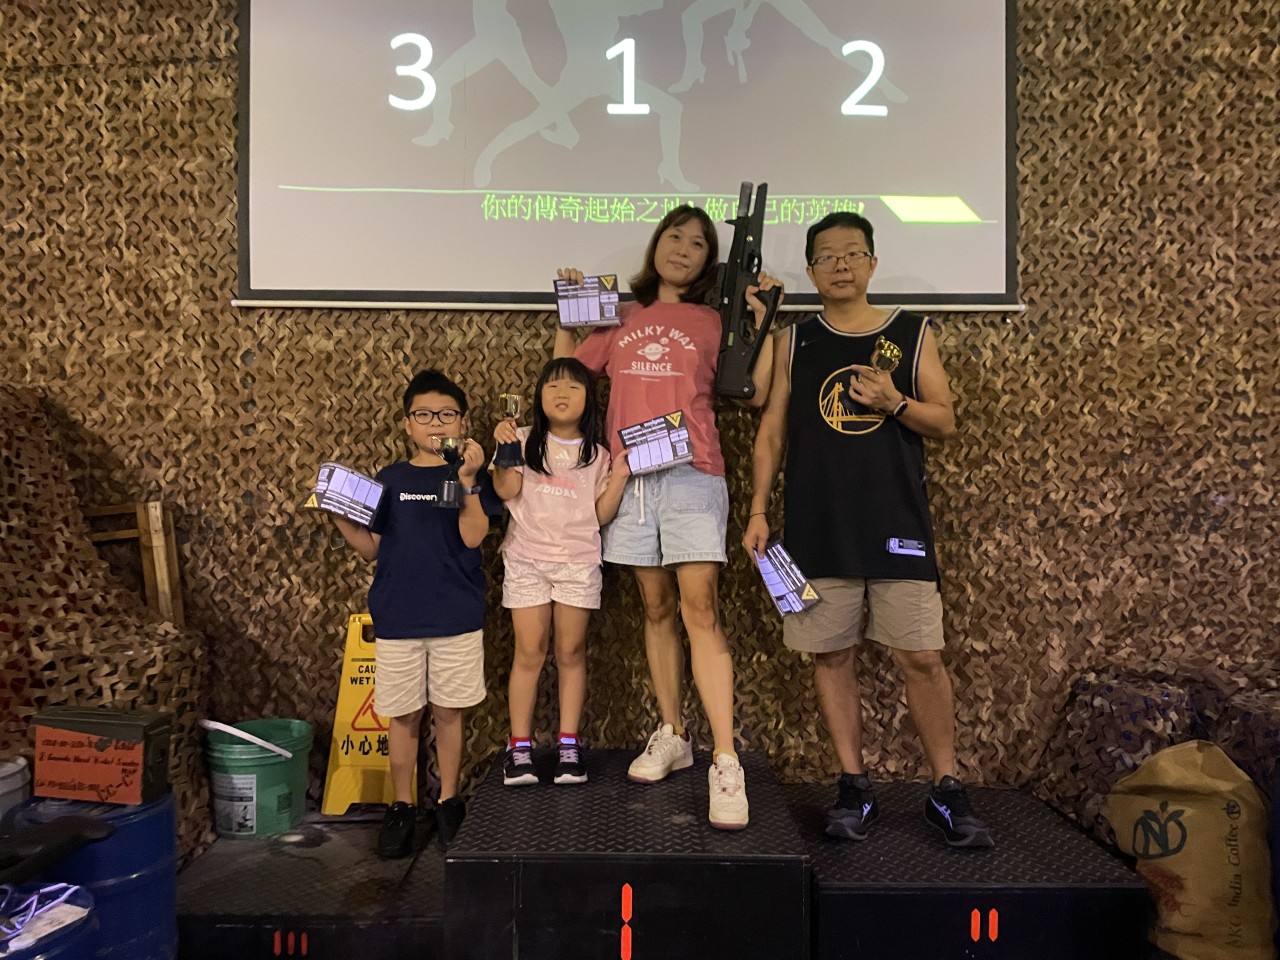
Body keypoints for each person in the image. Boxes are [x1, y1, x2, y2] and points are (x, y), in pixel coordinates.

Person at [743, 211, 994, 848]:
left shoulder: (910, 332)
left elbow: (945, 420)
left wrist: (894, 402)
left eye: (853, 253)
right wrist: (758, 509)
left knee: (922, 657)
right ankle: (854, 785)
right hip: (816, 525)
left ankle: (946, 788)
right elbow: (769, 429)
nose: (841, 265)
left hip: (896, 522)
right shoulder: (794, 342)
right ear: (811, 271)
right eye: (826, 256)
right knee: (831, 655)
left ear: (873, 263)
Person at [554, 205, 781, 830]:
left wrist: (763, 323)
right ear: (657, 245)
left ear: (709, 260)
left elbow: (757, 392)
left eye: (698, 243)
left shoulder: (714, 320)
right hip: (628, 479)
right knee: (655, 608)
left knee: (698, 609)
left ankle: (726, 760)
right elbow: (566, 375)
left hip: (692, 474)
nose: (682, 248)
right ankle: (674, 733)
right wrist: (568, 317)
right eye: (674, 236)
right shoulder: (623, 315)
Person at [331, 369, 502, 858]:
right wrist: (338, 513)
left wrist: (467, 481)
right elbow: (372, 547)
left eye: (446, 414)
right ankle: (402, 805)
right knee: (403, 715)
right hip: (399, 617)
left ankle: (448, 800)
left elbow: (473, 537)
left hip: (456, 616)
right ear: (407, 424)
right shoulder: (390, 479)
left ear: (463, 422)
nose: (435, 423)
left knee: (449, 712)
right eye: (423, 415)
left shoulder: (474, 476)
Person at [491, 357, 630, 786]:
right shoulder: (523, 439)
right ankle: (519, 748)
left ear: (589, 399)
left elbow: (600, 514)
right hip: (526, 559)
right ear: (538, 397)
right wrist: (504, 449)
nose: (562, 393)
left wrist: (620, 476)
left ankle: (569, 745)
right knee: (529, 653)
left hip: (577, 563)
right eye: (552, 386)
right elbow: (506, 489)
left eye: (573, 386)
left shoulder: (599, 455)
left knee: (571, 653)